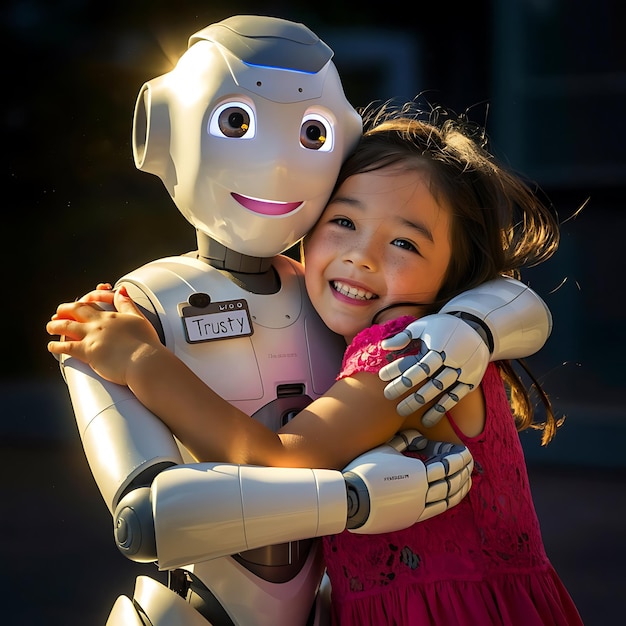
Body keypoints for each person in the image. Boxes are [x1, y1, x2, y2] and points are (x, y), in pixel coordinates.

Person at [47, 101, 583, 625]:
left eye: (404, 242)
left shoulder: (406, 354)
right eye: (344, 221)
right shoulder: (437, 337)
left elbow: (275, 463)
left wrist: (142, 359)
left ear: (454, 274)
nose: (362, 255)